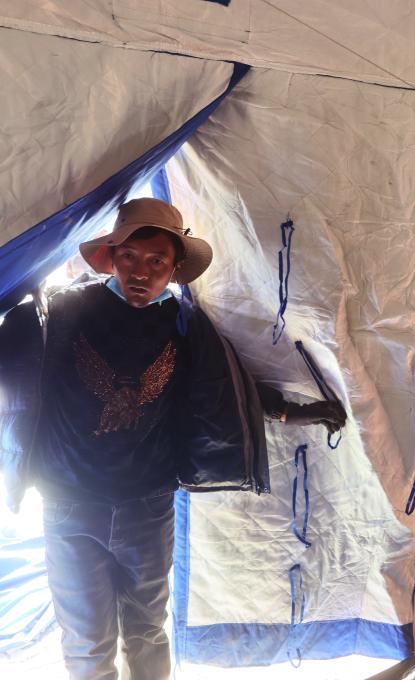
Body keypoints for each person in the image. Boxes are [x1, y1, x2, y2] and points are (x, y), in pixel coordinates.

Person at [0, 198, 346, 680]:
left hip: (148, 505)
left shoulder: (184, 327)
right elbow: (14, 366)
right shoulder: (62, 313)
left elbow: (226, 386)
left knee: (146, 630)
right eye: (129, 258)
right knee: (86, 639)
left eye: (156, 261)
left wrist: (294, 411)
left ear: (175, 267)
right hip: (69, 504)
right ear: (112, 256)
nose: (141, 272)